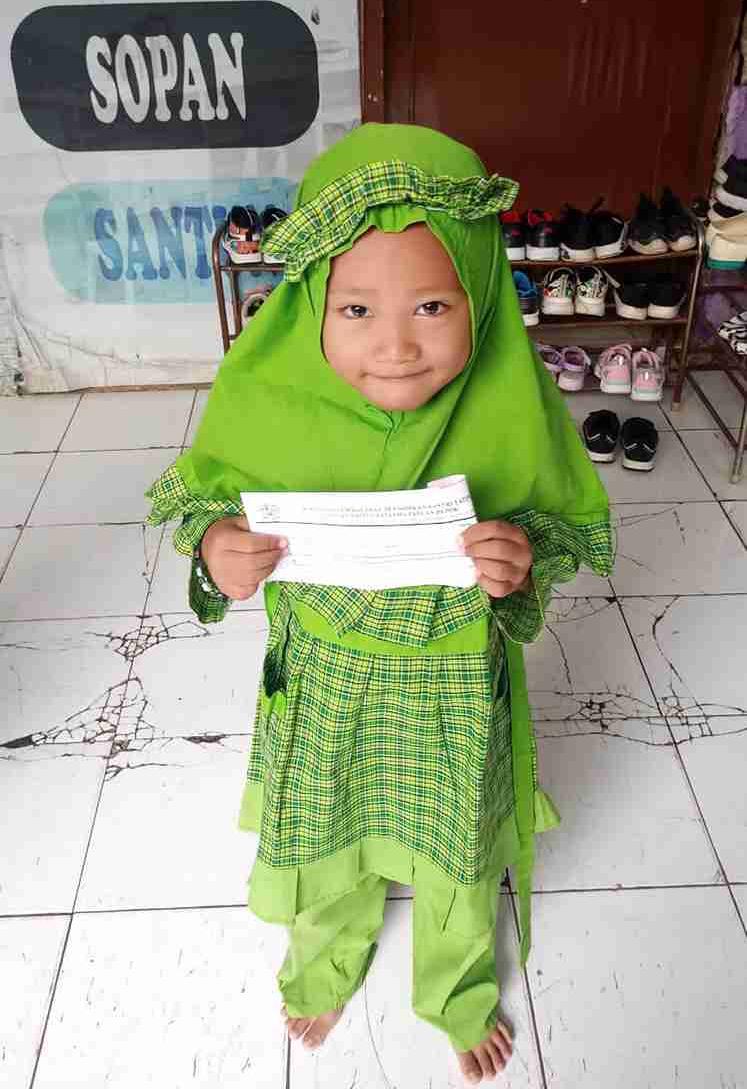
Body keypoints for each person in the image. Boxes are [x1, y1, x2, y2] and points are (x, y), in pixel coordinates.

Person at [146, 124, 613, 1083]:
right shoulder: (269, 399)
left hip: (452, 689)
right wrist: (216, 550)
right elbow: (198, 506)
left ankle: (455, 990)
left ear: (482, 296)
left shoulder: (506, 403)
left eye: (433, 304)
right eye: (355, 308)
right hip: (326, 681)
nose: (396, 347)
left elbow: (556, 525)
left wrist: (519, 560)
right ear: (310, 300)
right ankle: (325, 963)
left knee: (457, 849)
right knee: (324, 828)